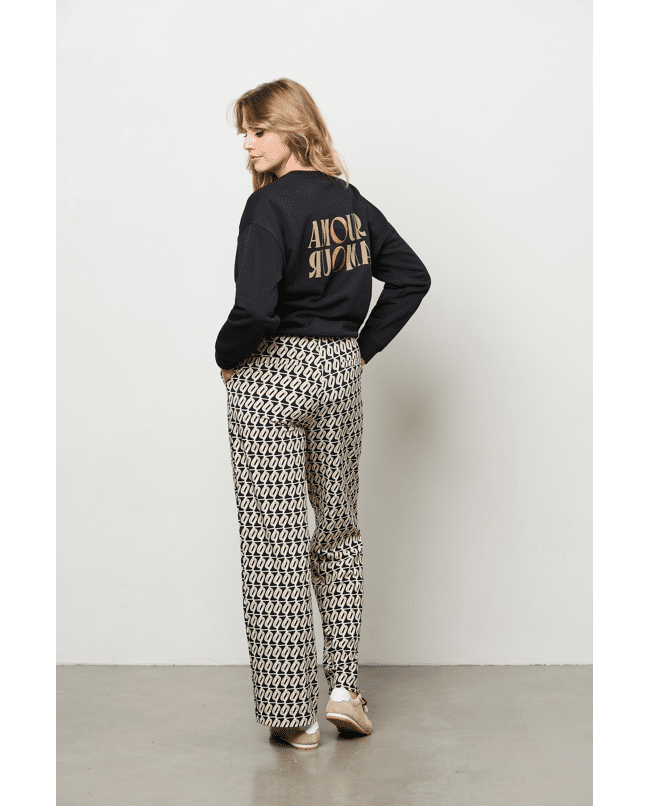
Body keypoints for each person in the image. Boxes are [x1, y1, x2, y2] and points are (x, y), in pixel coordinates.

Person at [214, 78, 431, 750]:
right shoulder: (350, 203)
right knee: (337, 532)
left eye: (258, 130)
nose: (248, 144)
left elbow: (255, 309)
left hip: (273, 374)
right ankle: (344, 690)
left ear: (293, 128)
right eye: (244, 133)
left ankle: (292, 716)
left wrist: (226, 356)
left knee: (274, 542)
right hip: (339, 374)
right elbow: (412, 276)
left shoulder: (269, 207)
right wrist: (358, 350)